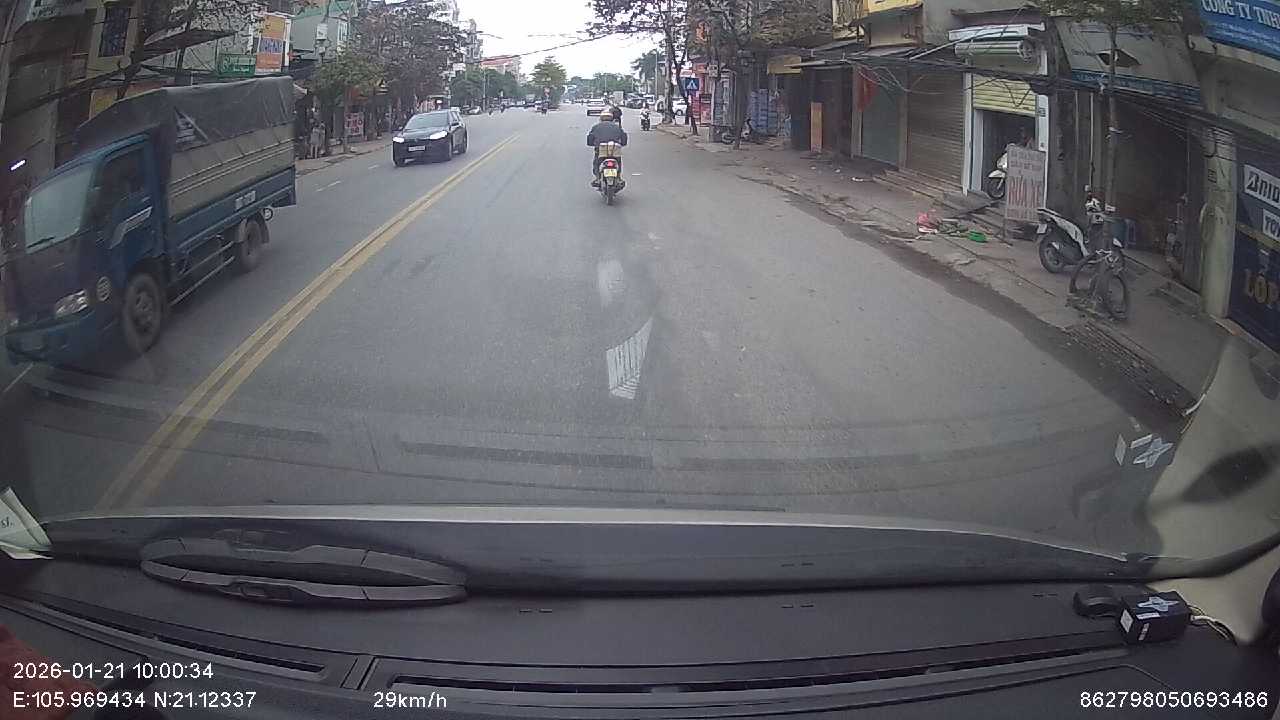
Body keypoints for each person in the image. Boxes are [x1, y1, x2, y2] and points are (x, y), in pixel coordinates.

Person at [586, 108, 627, 187]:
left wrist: (592, 144)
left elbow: (590, 139)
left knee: (597, 162)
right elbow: (623, 137)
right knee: (618, 161)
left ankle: (598, 178)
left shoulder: (596, 127)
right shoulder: (617, 127)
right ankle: (618, 178)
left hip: (601, 150)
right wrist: (622, 144)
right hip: (614, 150)